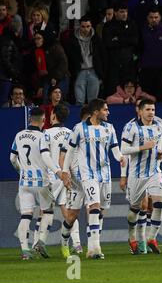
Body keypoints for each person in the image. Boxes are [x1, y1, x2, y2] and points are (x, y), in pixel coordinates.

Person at [61, 99, 125, 259]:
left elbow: (115, 151)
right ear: (96, 112)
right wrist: (64, 171)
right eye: (105, 110)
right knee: (92, 207)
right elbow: (69, 151)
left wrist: (121, 158)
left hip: (105, 175)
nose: (108, 112)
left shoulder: (109, 128)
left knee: (98, 210)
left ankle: (92, 246)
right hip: (86, 175)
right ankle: (94, 248)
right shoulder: (79, 128)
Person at [10, 107, 63, 260]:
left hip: (24, 182)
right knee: (48, 210)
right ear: (43, 120)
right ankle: (41, 242)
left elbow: (12, 159)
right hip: (41, 182)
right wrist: (58, 172)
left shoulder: (19, 135)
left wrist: (21, 171)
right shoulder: (42, 136)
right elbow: (46, 157)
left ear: (29, 119)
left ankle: (25, 251)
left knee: (26, 216)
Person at [121, 99, 162, 254]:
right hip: (136, 174)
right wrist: (144, 147)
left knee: (159, 202)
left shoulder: (159, 126)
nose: (151, 113)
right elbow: (124, 149)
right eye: (148, 109)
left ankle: (151, 237)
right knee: (135, 210)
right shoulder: (131, 127)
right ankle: (132, 237)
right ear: (140, 111)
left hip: (154, 172)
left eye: (153, 110)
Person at [43, 104, 82, 254]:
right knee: (69, 213)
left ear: (53, 115)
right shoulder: (71, 132)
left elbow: (44, 156)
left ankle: (37, 243)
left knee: (45, 212)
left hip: (53, 177)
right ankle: (77, 244)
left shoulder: (46, 133)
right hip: (68, 176)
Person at [59, 105, 90, 258]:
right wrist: (65, 174)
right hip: (77, 181)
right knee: (71, 217)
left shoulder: (101, 131)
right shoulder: (74, 132)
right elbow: (63, 155)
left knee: (94, 211)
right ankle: (64, 241)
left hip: (92, 178)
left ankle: (93, 247)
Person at [66, 15, 105, 105]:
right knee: (79, 101)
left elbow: (103, 57)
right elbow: (70, 57)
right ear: (79, 26)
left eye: (88, 26)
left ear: (91, 26)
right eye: (83, 26)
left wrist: (101, 74)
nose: (85, 29)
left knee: (93, 101)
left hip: (94, 71)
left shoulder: (96, 39)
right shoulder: (73, 40)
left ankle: (92, 119)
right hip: (80, 71)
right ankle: (80, 119)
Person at [138, 8, 162, 101]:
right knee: (147, 95)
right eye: (151, 17)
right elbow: (138, 49)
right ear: (147, 18)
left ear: (160, 17)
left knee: (161, 94)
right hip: (146, 69)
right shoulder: (142, 31)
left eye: (156, 17)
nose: (154, 19)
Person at [102, 2, 139, 96]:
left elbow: (135, 41)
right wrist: (126, 40)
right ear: (115, 13)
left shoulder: (132, 24)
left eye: (126, 11)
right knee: (112, 90)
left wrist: (118, 38)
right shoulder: (108, 26)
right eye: (122, 12)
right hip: (113, 64)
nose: (125, 14)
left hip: (128, 64)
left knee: (127, 90)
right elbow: (108, 43)